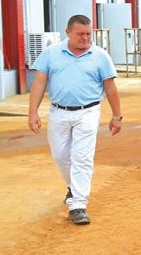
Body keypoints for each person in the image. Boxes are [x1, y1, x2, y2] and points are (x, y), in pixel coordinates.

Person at [28, 14, 122, 225]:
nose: (85, 38)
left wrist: (117, 116)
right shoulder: (51, 54)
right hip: (58, 112)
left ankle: (78, 204)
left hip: (88, 112)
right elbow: (39, 84)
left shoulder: (100, 56)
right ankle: (73, 186)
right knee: (60, 155)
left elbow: (110, 88)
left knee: (82, 157)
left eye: (89, 34)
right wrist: (33, 112)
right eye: (80, 34)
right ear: (68, 32)